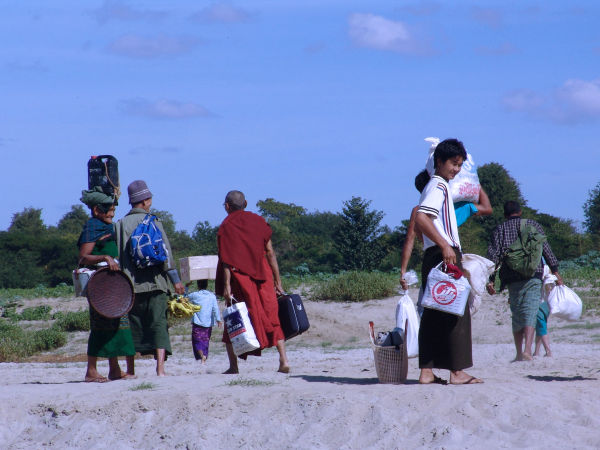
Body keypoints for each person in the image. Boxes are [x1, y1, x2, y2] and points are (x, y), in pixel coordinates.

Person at [414, 138, 483, 385]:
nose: (456, 169)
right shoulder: (439, 186)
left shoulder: (435, 185)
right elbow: (422, 219)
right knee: (457, 311)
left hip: (434, 254)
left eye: (459, 165)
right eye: (453, 164)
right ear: (440, 162)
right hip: (444, 253)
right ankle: (457, 371)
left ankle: (427, 371)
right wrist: (445, 245)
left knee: (433, 312)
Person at [215, 190, 290, 374]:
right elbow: (270, 253)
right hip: (263, 276)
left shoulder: (226, 226)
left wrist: (226, 287)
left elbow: (226, 260)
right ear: (246, 203)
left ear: (227, 206)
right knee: (272, 318)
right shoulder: (258, 221)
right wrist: (277, 281)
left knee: (235, 319)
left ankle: (234, 366)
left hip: (240, 279)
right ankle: (283, 361)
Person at [115, 180, 185, 376]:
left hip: (131, 286)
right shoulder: (153, 221)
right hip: (156, 283)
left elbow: (119, 257)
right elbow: (166, 255)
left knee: (132, 327)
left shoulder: (120, 225)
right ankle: (160, 369)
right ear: (145, 201)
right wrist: (176, 281)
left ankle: (130, 370)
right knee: (159, 325)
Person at [486, 200, 562, 361]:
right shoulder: (532, 225)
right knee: (531, 310)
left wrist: (490, 280)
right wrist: (555, 271)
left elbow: (494, 257)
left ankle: (519, 353)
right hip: (533, 273)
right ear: (520, 212)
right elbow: (546, 249)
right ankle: (528, 350)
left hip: (511, 276)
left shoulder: (500, 229)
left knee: (517, 312)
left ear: (505, 215)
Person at [400, 169, 492, 293]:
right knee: (456, 301)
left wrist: (403, 271)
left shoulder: (419, 210)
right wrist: (476, 185)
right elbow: (487, 208)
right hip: (454, 255)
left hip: (432, 257)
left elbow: (410, 238)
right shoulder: (455, 207)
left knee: (433, 300)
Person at [78, 187, 136, 382]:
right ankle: (91, 371)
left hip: (114, 284)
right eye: (108, 210)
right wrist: (104, 257)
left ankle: (114, 368)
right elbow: (84, 257)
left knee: (119, 325)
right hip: (100, 286)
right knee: (100, 326)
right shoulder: (92, 227)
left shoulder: (108, 227)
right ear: (96, 210)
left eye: (113, 210)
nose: (112, 213)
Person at [187, 280, 223, 363]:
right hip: (208, 323)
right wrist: (218, 319)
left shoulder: (195, 295)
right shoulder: (212, 296)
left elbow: (184, 297)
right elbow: (215, 308)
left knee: (197, 341)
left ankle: (202, 356)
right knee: (205, 341)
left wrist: (187, 286)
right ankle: (204, 358)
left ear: (198, 285)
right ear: (207, 285)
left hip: (197, 323)